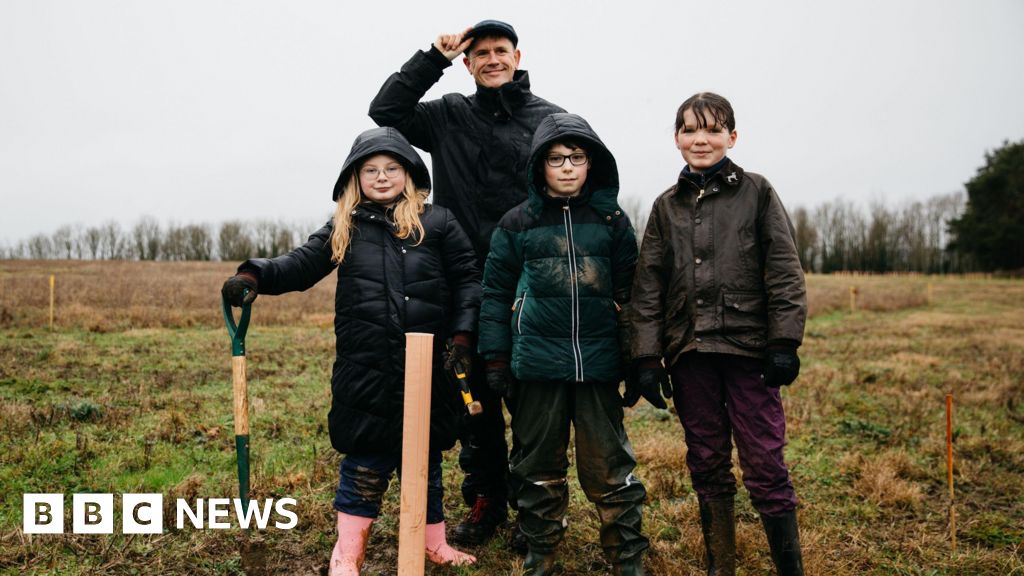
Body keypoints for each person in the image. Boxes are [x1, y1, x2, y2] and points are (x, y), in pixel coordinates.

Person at [221, 127, 480, 575]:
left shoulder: (438, 222)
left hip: (429, 365)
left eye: (392, 168)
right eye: (370, 170)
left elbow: (468, 281)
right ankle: (347, 554)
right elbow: (300, 264)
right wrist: (254, 276)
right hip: (367, 367)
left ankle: (433, 543)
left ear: (409, 173)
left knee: (425, 461)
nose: (382, 177)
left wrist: (462, 337)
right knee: (365, 461)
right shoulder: (346, 226)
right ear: (354, 177)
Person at [369, 19, 565, 547]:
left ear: (517, 57)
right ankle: (486, 500)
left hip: (529, 285)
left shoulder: (550, 119)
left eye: (501, 50)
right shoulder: (448, 115)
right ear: (468, 63)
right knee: (472, 400)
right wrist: (431, 58)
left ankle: (537, 508)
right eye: (481, 53)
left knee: (531, 401)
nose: (492, 59)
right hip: (460, 283)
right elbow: (386, 112)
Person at [628, 92, 807, 576]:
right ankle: (720, 566)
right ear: (676, 139)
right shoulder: (665, 207)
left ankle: (790, 569)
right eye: (690, 130)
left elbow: (784, 271)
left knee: (764, 462)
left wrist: (784, 342)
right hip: (690, 354)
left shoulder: (757, 192)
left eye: (712, 129)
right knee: (706, 460)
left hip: (750, 352)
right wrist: (646, 358)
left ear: (732, 136)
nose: (700, 139)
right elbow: (648, 287)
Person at [478, 113, 649, 576]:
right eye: (556, 159)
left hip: (598, 364)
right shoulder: (517, 223)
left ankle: (626, 557)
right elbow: (494, 294)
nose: (567, 167)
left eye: (576, 157)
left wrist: (637, 358)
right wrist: (495, 357)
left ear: (592, 163)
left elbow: (631, 294)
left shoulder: (612, 222)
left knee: (610, 467)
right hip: (536, 365)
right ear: (540, 166)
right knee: (536, 466)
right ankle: (541, 553)